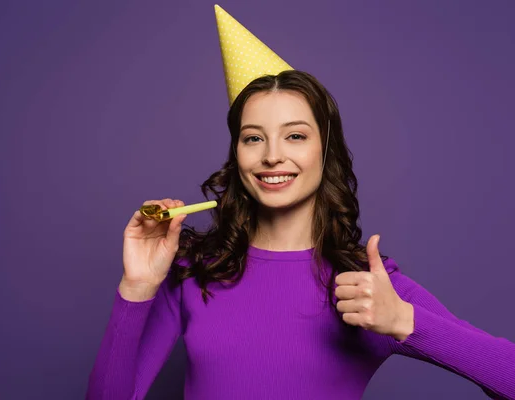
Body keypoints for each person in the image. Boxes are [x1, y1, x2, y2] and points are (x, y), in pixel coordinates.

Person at [85, 5, 515, 400]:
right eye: (253, 138)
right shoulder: (193, 272)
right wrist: (137, 288)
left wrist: (405, 322)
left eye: (295, 135)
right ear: (237, 154)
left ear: (324, 151)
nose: (272, 155)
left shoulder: (368, 287)